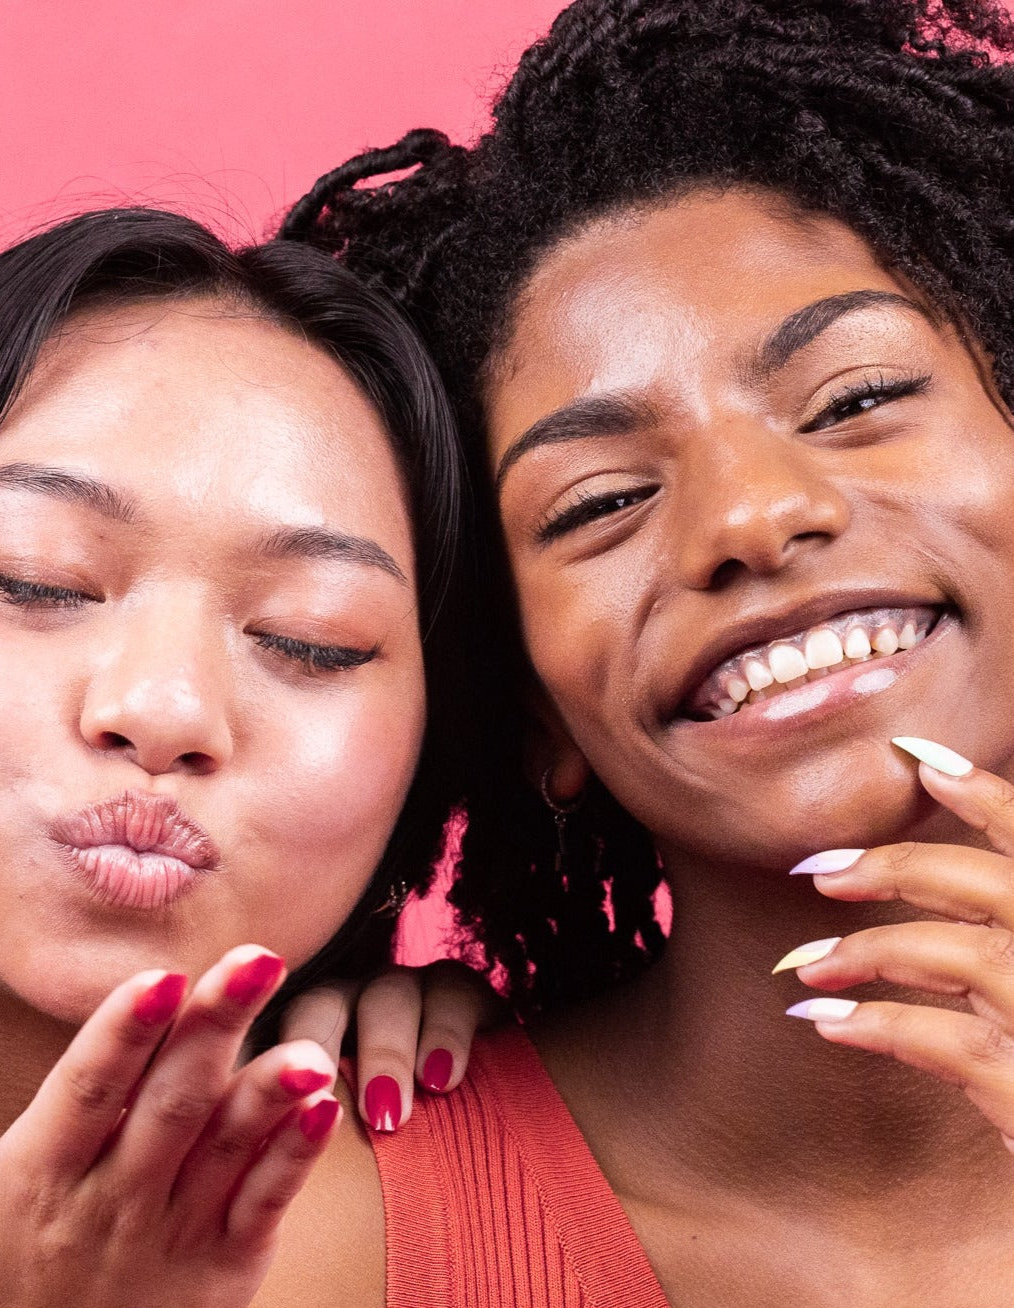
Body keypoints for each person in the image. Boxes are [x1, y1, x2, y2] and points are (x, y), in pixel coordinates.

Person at [279, 0, 1014, 1302]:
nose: (747, 517)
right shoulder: (333, 1233)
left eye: (856, 399)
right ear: (528, 706)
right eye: (600, 503)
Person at [0, 206, 474, 1307]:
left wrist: (535, 1116)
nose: (162, 710)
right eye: (39, 579)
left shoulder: (462, 1185)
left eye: (312, 639)